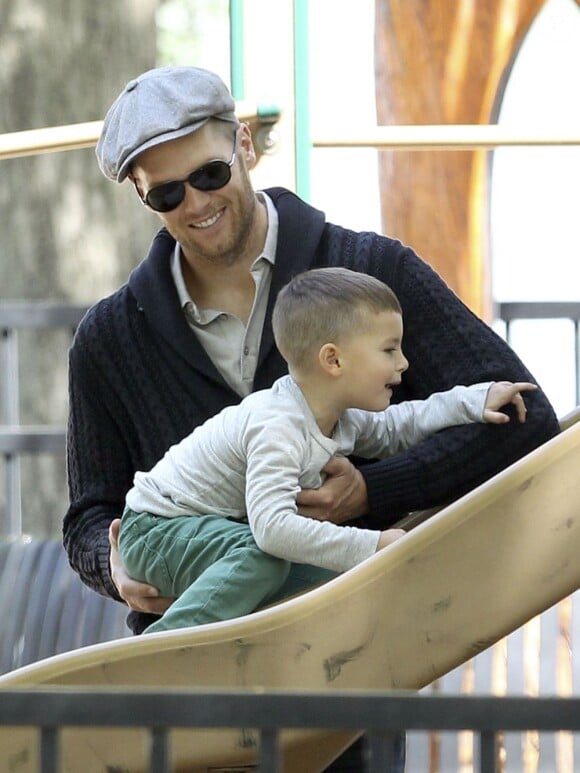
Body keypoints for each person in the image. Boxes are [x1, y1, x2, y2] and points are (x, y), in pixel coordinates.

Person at [63, 65, 559, 771]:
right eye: (166, 192)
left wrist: (373, 490)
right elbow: (87, 515)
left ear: (244, 145)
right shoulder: (108, 339)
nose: (195, 204)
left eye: (208, 173)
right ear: (142, 195)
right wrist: (114, 567)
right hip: (191, 699)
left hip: (350, 675)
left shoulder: (368, 269)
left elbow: (526, 419)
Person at [118, 267, 537, 634]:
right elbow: (272, 529)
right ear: (333, 361)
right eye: (389, 349)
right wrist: (371, 544)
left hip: (197, 532)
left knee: (326, 572)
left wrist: (474, 400)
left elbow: (398, 426)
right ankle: (164, 655)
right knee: (263, 558)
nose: (404, 363)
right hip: (155, 529)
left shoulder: (336, 416)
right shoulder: (278, 425)